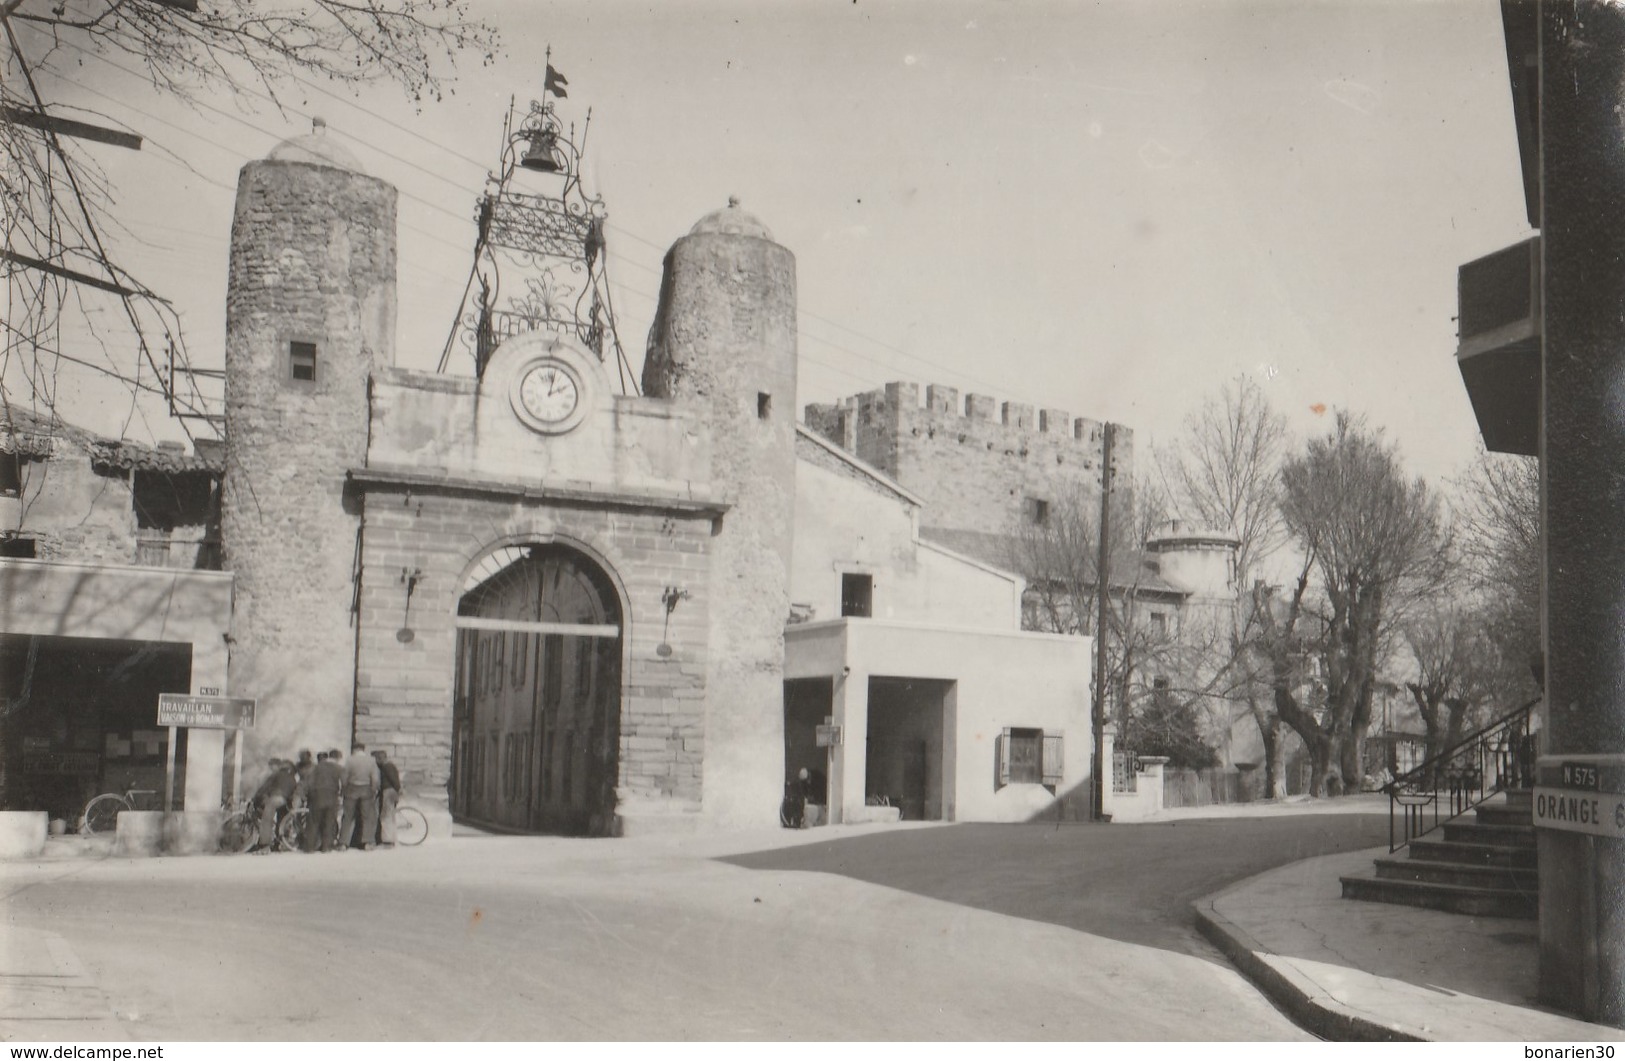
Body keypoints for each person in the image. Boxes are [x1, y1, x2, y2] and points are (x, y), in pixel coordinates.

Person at [339, 741, 379, 851]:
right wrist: (373, 789)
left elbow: (344, 777)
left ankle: (343, 843)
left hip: (352, 789)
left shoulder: (349, 760)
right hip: (366, 789)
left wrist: (344, 788)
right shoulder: (371, 761)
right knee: (367, 816)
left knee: (348, 817)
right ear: (363, 749)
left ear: (355, 749)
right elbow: (375, 778)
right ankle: (367, 842)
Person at [249, 758, 296, 854]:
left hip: (276, 798)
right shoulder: (292, 778)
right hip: (285, 801)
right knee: (281, 820)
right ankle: (279, 844)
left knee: (266, 820)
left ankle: (264, 846)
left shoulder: (276, 775)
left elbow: (265, 787)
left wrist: (255, 798)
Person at [305, 747, 344, 853]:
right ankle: (326, 847)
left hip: (316, 795)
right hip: (331, 795)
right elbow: (343, 782)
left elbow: (309, 782)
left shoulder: (316, 767)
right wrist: (341, 794)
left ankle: (310, 847)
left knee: (314, 821)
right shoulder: (338, 768)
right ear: (338, 758)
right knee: (329, 821)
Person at [373, 749, 401, 847]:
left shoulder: (387, 767)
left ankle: (387, 841)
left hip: (388, 792)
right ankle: (392, 838)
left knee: (385, 816)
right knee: (390, 815)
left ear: (380, 758)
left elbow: (394, 781)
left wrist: (397, 790)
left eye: (376, 759)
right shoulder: (390, 766)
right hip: (392, 791)